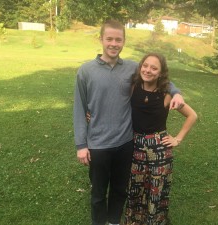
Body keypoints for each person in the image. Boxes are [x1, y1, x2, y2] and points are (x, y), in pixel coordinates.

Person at [73, 19, 184, 225]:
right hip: (98, 144)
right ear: (101, 39)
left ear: (123, 41)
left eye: (118, 39)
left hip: (126, 143)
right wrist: (81, 145)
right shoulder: (86, 71)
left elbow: (160, 77)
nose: (113, 44)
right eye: (109, 39)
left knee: (119, 188)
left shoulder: (133, 68)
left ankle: (114, 221)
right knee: (98, 193)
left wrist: (176, 92)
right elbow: (79, 109)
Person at [124, 53, 198, 225]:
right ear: (141, 66)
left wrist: (177, 139)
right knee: (135, 188)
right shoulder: (134, 87)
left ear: (161, 72)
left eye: (154, 68)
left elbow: (192, 115)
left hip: (159, 150)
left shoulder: (166, 95)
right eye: (146, 65)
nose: (148, 70)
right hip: (135, 146)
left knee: (155, 191)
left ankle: (155, 221)